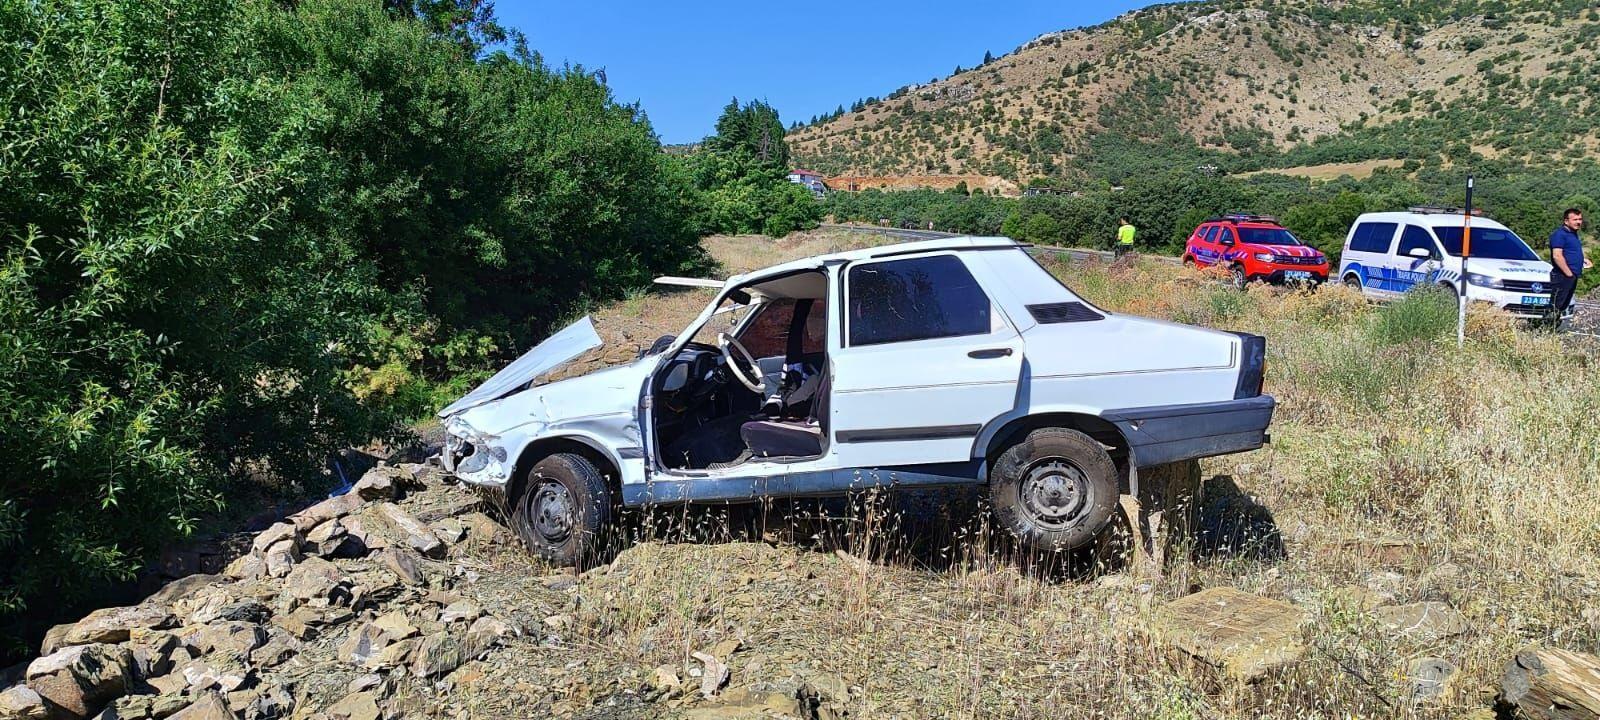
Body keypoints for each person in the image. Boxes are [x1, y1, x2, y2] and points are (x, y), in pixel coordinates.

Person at [1548, 207, 1590, 323]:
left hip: (1571, 276)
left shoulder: (1573, 234)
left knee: (1562, 306)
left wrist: (1583, 260)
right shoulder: (1560, 234)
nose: (1578, 222)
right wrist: (1569, 274)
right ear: (1566, 221)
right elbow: (1557, 256)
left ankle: (1553, 328)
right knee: (1556, 306)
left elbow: (1569, 252)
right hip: (1562, 276)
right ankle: (1545, 328)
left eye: (1580, 219)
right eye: (1575, 219)